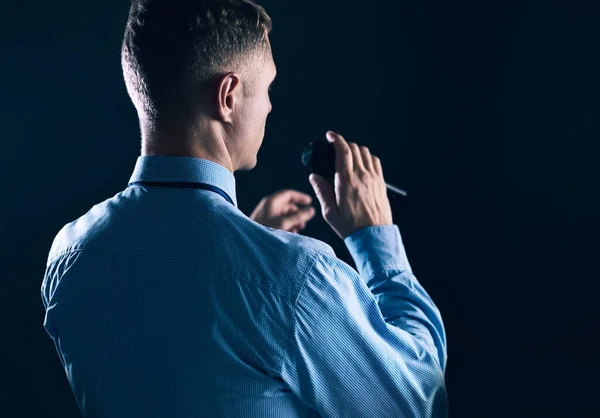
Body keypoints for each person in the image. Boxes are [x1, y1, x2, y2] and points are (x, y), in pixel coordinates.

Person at [40, 0, 448, 416]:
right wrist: (375, 239)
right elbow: (418, 404)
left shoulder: (69, 256)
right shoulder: (296, 281)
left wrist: (250, 239)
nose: (270, 106)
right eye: (268, 87)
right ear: (228, 95)